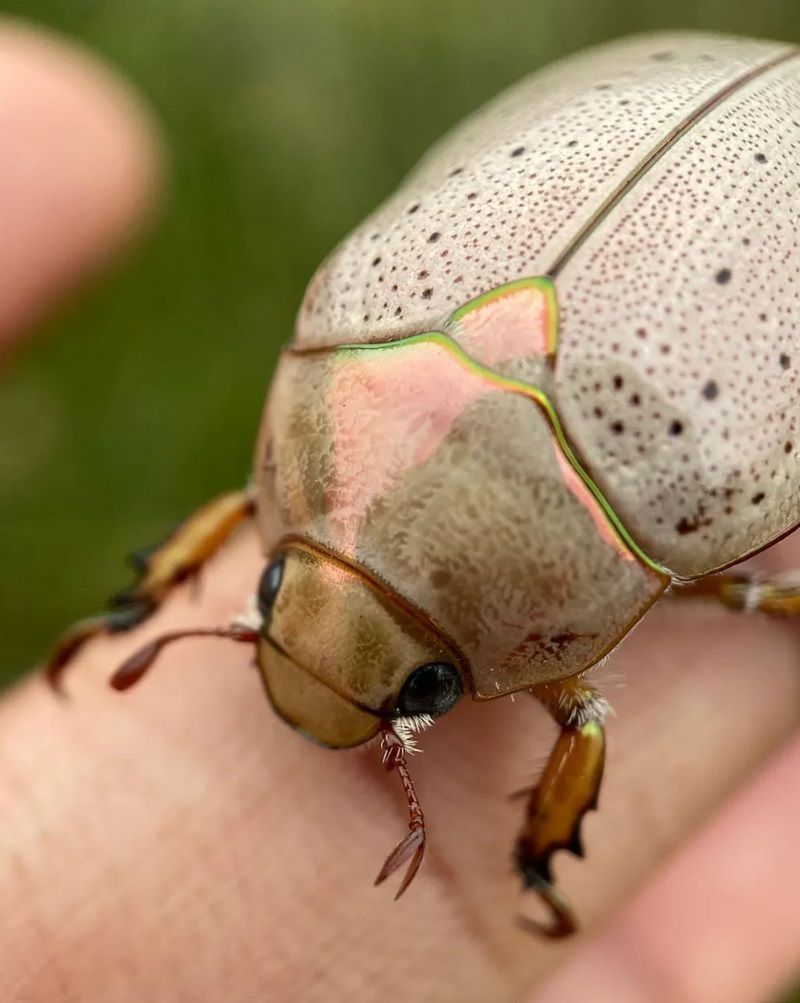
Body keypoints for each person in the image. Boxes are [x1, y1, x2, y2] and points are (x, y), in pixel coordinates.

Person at [1, 18, 799, 1002]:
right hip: (665, 98)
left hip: (694, 136)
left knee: (612, 696)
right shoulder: (342, 364)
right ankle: (536, 856)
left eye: (425, 687)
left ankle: (534, 853)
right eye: (272, 575)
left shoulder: (669, 485)